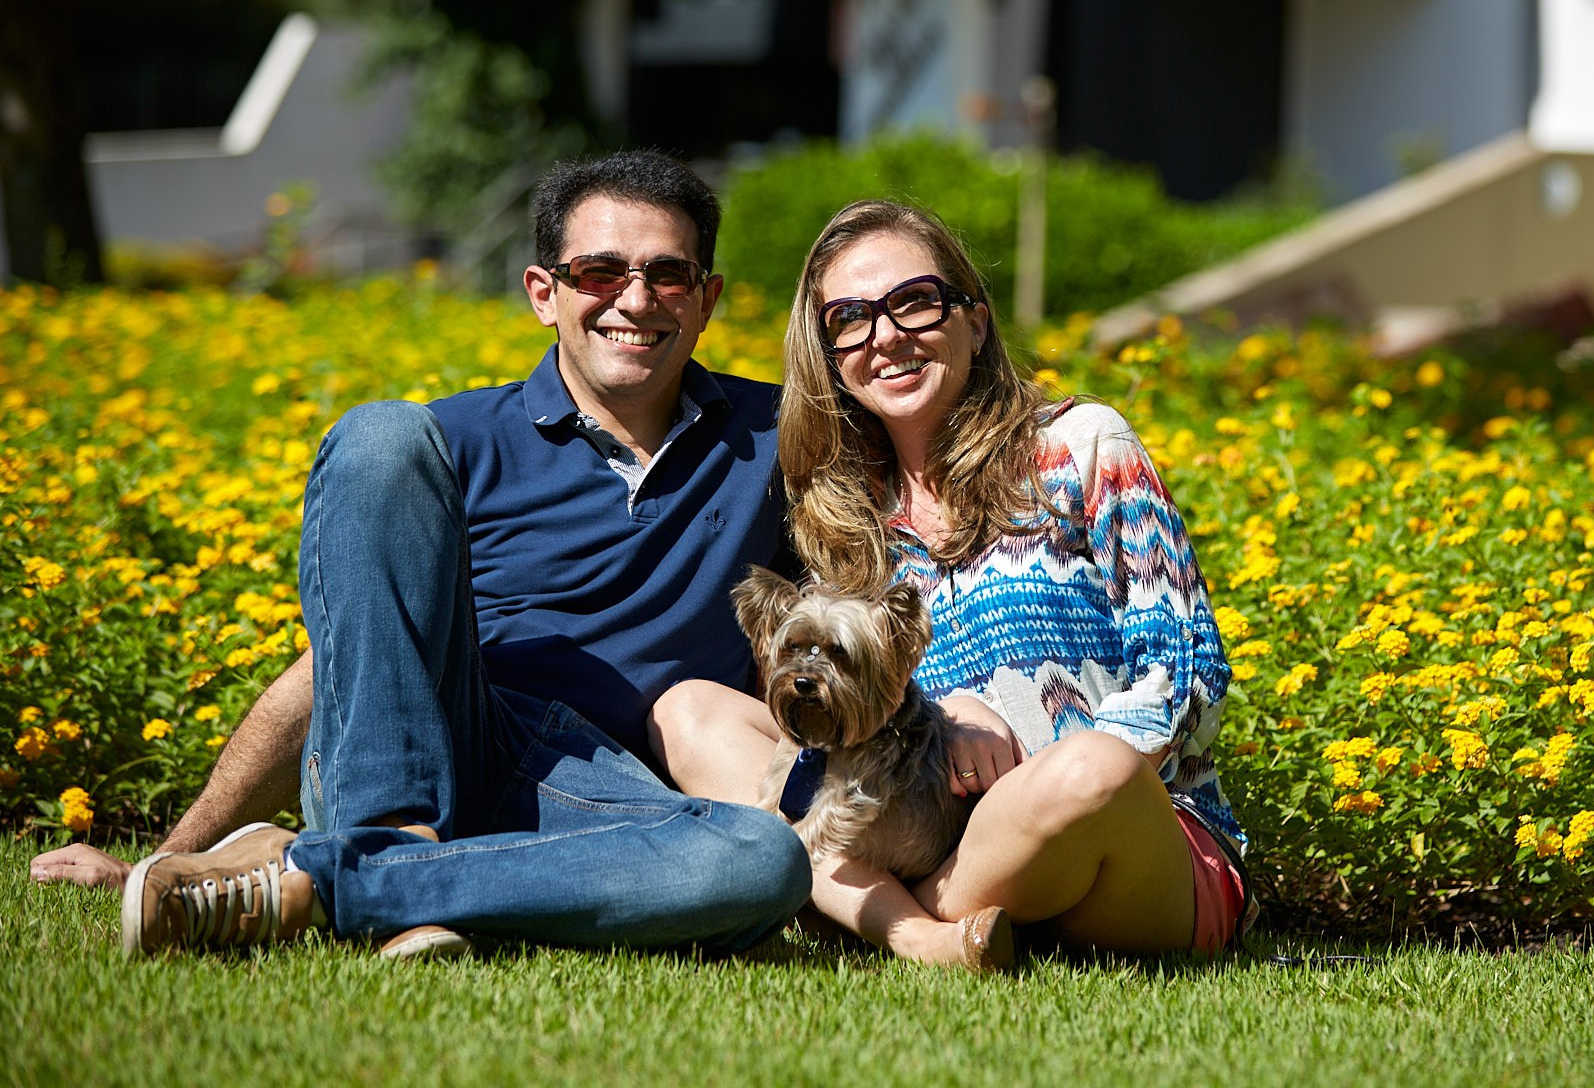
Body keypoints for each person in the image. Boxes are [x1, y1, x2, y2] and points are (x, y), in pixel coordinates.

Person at [34, 152, 811, 958]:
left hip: (608, 801)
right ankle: (394, 837)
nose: (636, 299)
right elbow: (349, 660)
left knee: (763, 856)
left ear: (707, 298)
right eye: (599, 271)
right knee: (380, 432)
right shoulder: (450, 444)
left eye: (669, 274)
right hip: (445, 736)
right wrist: (167, 854)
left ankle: (336, 879)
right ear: (543, 293)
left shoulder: (780, 435)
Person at [649, 200, 1250, 966]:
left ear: (976, 321)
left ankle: (880, 915)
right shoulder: (839, 514)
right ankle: (930, 935)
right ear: (829, 355)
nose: (886, 335)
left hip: (1117, 839)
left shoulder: (1079, 445)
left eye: (914, 301)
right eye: (850, 318)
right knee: (691, 712)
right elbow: (831, 705)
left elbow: (1186, 669)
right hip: (927, 827)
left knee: (1091, 769)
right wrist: (944, 711)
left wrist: (1029, 768)